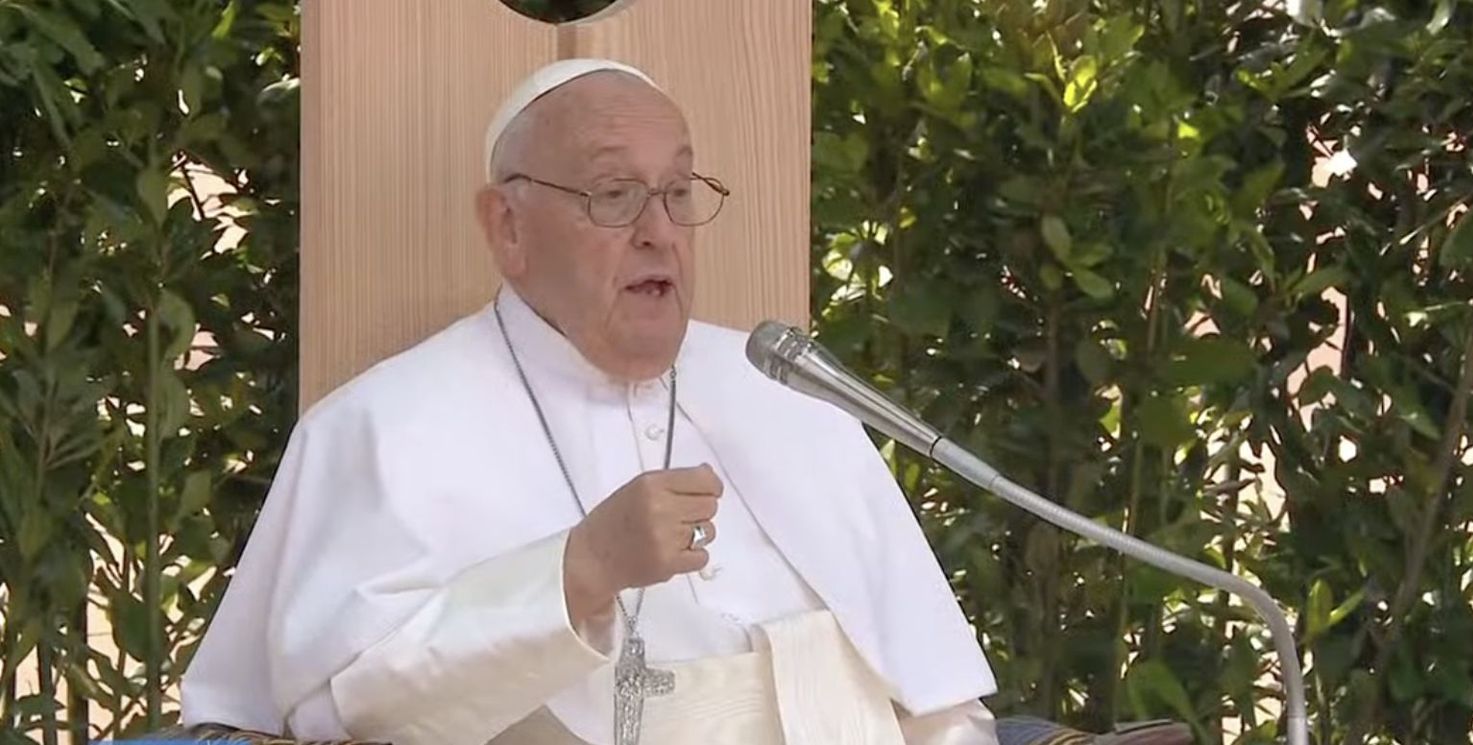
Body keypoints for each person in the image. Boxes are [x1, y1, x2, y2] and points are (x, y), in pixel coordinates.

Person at [179, 58, 1000, 745]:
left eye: (678, 192)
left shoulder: (791, 398)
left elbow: (940, 705)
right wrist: (575, 575)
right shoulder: (379, 428)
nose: (659, 231)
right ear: (508, 226)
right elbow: (338, 713)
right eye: (614, 195)